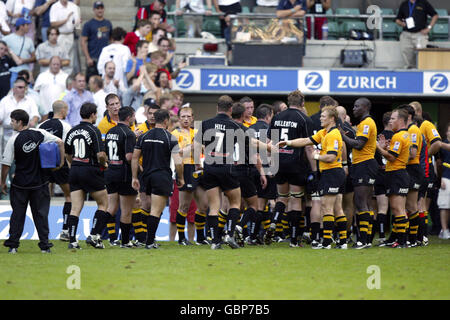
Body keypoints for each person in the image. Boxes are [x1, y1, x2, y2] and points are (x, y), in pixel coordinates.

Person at [278, 105, 348, 249]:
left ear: (332, 119)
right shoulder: (323, 132)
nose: (320, 118)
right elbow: (305, 141)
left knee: (326, 207)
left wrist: (316, 156)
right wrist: (289, 143)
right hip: (333, 172)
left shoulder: (333, 134)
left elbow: (331, 157)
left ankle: (327, 242)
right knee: (336, 208)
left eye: (323, 116)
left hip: (333, 172)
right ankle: (343, 242)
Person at [1, 109, 65, 253]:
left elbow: (6, 164)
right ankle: (45, 246)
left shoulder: (14, 139)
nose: (11, 123)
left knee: (18, 214)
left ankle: (13, 246)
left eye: (12, 121)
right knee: (41, 215)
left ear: (19, 122)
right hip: (40, 183)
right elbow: (60, 142)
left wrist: (2, 182)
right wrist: (60, 163)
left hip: (20, 184)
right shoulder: (40, 133)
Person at [193, 95, 247, 249]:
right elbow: (248, 144)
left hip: (210, 167)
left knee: (214, 206)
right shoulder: (235, 126)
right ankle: (229, 233)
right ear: (231, 109)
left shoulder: (205, 124)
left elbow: (197, 146)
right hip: (227, 168)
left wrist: (198, 164)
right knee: (235, 202)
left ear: (217, 108)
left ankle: (215, 241)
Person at [266, 90, 314, 247]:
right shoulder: (304, 119)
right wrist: (314, 170)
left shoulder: (277, 117)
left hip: (279, 162)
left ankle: (274, 221)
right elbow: (308, 147)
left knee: (282, 196)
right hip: (296, 163)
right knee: (295, 200)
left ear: (288, 102)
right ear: (302, 103)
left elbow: (269, 142)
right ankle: (294, 240)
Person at [132, 109, 184, 249]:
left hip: (146, 176)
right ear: (166, 121)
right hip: (161, 176)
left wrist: (134, 176)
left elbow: (135, 157)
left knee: (146, 208)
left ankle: (143, 238)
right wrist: (181, 177)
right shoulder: (170, 137)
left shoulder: (144, 136)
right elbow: (178, 161)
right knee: (156, 210)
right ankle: (149, 242)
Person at [64, 102, 108, 249]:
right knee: (103, 204)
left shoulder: (71, 131)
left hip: (75, 170)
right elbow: (100, 154)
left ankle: (72, 241)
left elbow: (68, 154)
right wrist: (104, 164)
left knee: (75, 208)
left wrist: (75, 164)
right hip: (90, 170)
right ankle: (94, 236)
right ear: (92, 115)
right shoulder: (94, 130)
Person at [339, 98, 378, 249]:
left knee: (361, 203)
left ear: (366, 107)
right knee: (366, 203)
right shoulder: (363, 124)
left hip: (365, 164)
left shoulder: (367, 122)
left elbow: (359, 144)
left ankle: (362, 240)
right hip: (364, 164)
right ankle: (366, 239)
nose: (354, 109)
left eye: (357, 106)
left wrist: (343, 136)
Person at [376, 109, 411, 248]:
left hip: (396, 174)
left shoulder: (399, 136)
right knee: (400, 209)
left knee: (397, 209)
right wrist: (386, 148)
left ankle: (402, 241)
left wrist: (379, 148)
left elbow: (391, 157)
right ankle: (399, 239)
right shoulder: (406, 135)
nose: (390, 121)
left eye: (393, 119)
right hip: (400, 173)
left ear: (401, 120)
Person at [37, 100, 72, 241]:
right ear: (63, 110)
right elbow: (67, 147)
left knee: (45, 198)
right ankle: (65, 230)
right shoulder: (65, 126)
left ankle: (43, 232)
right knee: (69, 196)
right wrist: (68, 163)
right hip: (60, 163)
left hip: (44, 164)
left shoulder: (41, 125)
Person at [104, 106, 138, 248]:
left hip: (111, 172)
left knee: (111, 208)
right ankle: (125, 241)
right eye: (134, 116)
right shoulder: (129, 133)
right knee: (126, 210)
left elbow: (105, 154)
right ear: (129, 117)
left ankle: (95, 233)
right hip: (124, 174)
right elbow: (129, 157)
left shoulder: (110, 131)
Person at [231, 103, 263, 246]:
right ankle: (238, 227)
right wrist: (262, 173)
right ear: (243, 115)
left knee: (235, 205)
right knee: (253, 205)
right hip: (243, 170)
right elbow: (255, 155)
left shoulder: (226, 129)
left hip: (228, 170)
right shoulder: (246, 131)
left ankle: (227, 235)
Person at [410, 101, 442, 245]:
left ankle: (422, 236)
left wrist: (424, 155)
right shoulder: (411, 128)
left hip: (425, 168)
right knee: (415, 202)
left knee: (422, 202)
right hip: (415, 168)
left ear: (417, 112)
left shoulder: (426, 125)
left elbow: (437, 143)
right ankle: (418, 235)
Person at [170, 106, 202, 245]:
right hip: (183, 168)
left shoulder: (196, 132)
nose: (186, 119)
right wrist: (192, 147)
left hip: (196, 169)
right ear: (179, 118)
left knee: (202, 205)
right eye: (183, 116)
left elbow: (200, 150)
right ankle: (181, 238)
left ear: (193, 118)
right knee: (183, 205)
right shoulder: (175, 134)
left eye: (188, 116)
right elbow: (177, 153)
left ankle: (200, 238)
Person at [249, 104, 276, 244]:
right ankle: (255, 235)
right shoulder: (270, 131)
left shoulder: (249, 129)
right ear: (268, 116)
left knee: (254, 205)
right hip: (265, 170)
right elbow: (272, 152)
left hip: (250, 170)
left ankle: (255, 235)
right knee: (262, 205)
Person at [398, 104, 424, 247]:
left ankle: (414, 238)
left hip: (413, 168)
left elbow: (413, 153)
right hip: (409, 168)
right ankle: (413, 238)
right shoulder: (408, 130)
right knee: (409, 205)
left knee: (412, 205)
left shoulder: (413, 130)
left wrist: (397, 157)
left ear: (408, 117)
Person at [396, 0, 438, 69]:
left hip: (420, 34)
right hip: (406, 35)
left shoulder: (424, 3)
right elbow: (398, 19)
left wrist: (428, 28)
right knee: (406, 54)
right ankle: (409, 72)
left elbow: (435, 15)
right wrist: (402, 23)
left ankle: (421, 72)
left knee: (421, 55)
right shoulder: (404, 4)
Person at [0, 77, 40, 147]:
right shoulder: (5, 100)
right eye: (20, 87)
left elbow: (35, 115)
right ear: (14, 89)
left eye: (24, 87)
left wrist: (33, 122)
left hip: (25, 135)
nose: (23, 89)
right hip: (8, 134)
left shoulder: (30, 101)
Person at [336, 105, 356, 243]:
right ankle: (346, 234)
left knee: (333, 204)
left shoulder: (330, 130)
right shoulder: (352, 131)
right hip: (349, 168)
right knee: (348, 204)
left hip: (334, 169)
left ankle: (334, 233)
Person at [373, 112, 393, 245]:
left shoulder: (376, 138)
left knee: (381, 208)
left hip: (379, 174)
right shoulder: (399, 136)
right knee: (400, 207)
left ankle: (380, 235)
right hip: (393, 174)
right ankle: (401, 235)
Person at [81, 1, 112, 82]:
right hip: (93, 58)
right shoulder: (88, 24)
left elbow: (111, 40)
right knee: (92, 82)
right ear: (94, 10)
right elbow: (83, 41)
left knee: (105, 82)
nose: (100, 10)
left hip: (105, 57)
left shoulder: (108, 23)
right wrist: (88, 58)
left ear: (104, 9)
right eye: (97, 8)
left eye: (101, 8)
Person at [49, 0, 81, 76]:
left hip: (70, 34)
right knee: (58, 58)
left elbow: (77, 23)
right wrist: (66, 20)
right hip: (60, 35)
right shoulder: (55, 6)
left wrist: (76, 23)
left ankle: (67, 79)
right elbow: (53, 23)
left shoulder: (73, 6)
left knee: (70, 59)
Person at [2, 18, 35, 87]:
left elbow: (34, 57)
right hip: (12, 71)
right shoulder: (7, 38)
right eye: (27, 25)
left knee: (28, 93)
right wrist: (9, 55)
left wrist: (24, 60)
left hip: (26, 72)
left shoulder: (29, 40)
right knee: (12, 93)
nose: (29, 27)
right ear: (21, 26)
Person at [437, 122, 450, 239]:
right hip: (446, 177)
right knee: (444, 205)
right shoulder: (443, 145)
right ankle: (444, 230)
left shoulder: (442, 144)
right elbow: (439, 164)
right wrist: (441, 179)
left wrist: (439, 143)